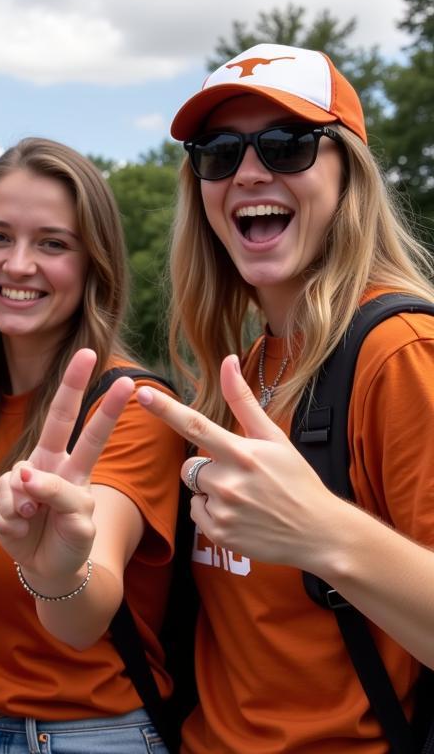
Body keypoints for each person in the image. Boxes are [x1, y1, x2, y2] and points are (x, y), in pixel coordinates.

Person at [136, 43, 434, 752]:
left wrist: (324, 534)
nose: (248, 172)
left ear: (348, 176)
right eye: (217, 152)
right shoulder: (241, 367)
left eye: (288, 145)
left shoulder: (402, 353)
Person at [0, 138, 186, 754]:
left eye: (53, 244)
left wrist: (57, 567)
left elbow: (85, 614)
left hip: (85, 735)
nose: (18, 264)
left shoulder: (126, 411)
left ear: (95, 265)